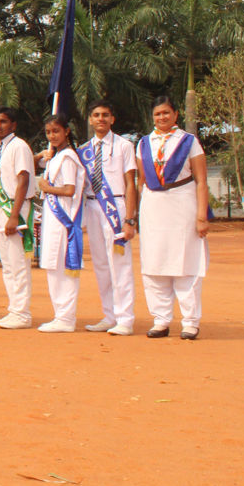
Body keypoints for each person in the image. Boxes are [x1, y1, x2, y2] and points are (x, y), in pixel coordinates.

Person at [135, 96, 210, 340]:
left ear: (176, 114)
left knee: (185, 263)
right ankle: (161, 319)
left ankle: (190, 321)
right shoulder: (144, 143)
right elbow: (141, 181)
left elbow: (201, 180)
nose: (162, 118)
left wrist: (201, 215)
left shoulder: (189, 142)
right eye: (158, 114)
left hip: (182, 203)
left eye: (166, 113)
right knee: (155, 264)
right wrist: (135, 213)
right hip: (153, 206)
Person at [79, 100, 138, 336]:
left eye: (105, 115)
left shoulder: (124, 145)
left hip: (117, 205)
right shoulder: (84, 150)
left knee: (120, 265)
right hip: (93, 207)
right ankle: (109, 315)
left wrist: (130, 219)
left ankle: (125, 318)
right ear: (90, 120)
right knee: (102, 265)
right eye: (96, 115)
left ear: (112, 119)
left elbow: (130, 183)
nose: (101, 119)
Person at [36, 113, 87, 333]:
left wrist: (47, 188)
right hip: (53, 218)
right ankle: (60, 314)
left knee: (63, 267)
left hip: (64, 217)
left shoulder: (68, 158)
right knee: (52, 266)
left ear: (66, 131)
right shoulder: (55, 157)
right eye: (48, 132)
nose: (52, 135)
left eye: (56, 131)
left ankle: (66, 317)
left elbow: (69, 189)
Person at [0, 106, 36, 329]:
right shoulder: (1, 148)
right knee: (7, 264)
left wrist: (15, 215)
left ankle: (23, 314)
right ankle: (14, 309)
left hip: (14, 209)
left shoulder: (19, 147)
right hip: (1, 207)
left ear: (13, 125)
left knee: (18, 263)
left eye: (4, 122)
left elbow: (23, 180)